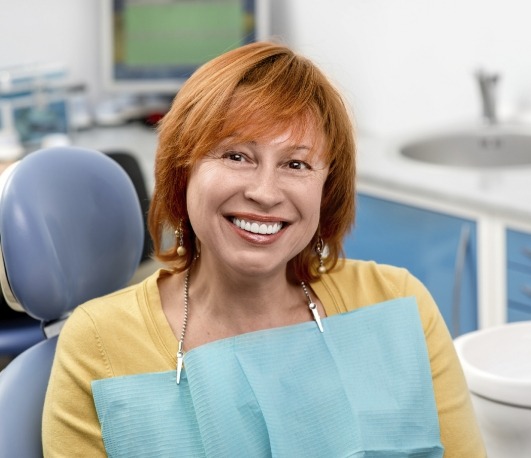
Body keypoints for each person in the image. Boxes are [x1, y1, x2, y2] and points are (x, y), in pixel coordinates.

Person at [42, 41, 486, 457]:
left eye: (296, 164)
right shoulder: (97, 345)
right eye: (237, 156)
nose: (266, 192)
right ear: (183, 172)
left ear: (326, 190)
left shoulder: (397, 304)